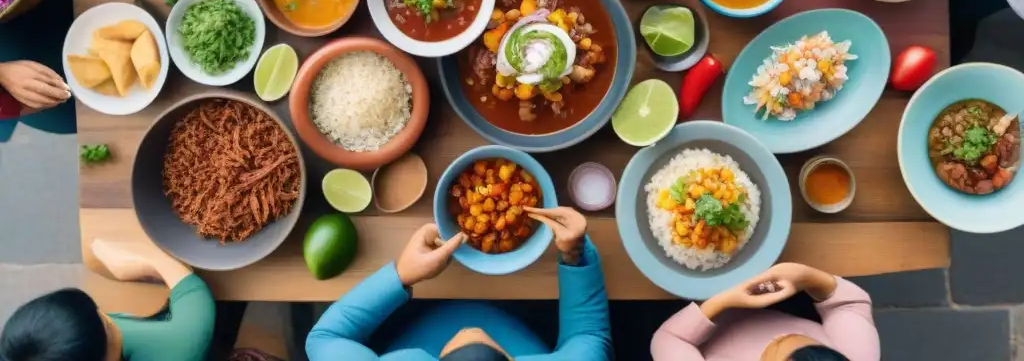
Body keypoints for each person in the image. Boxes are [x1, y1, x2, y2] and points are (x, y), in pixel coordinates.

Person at [306, 207, 612, 360]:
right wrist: (574, 250)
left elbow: (323, 338)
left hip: (407, 321)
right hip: (523, 315)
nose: (470, 331)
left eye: (459, 344)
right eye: (487, 345)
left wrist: (402, 274)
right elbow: (589, 335)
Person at [0, 239, 215, 361]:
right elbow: (194, 296)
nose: (108, 317)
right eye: (107, 327)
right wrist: (145, 264)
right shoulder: (180, 351)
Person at [650, 262, 879, 360]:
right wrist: (805, 276)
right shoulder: (857, 356)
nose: (779, 337)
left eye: (773, 351)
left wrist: (721, 301)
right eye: (804, 340)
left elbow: (668, 339)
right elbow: (849, 304)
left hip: (695, 322)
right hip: (788, 300)